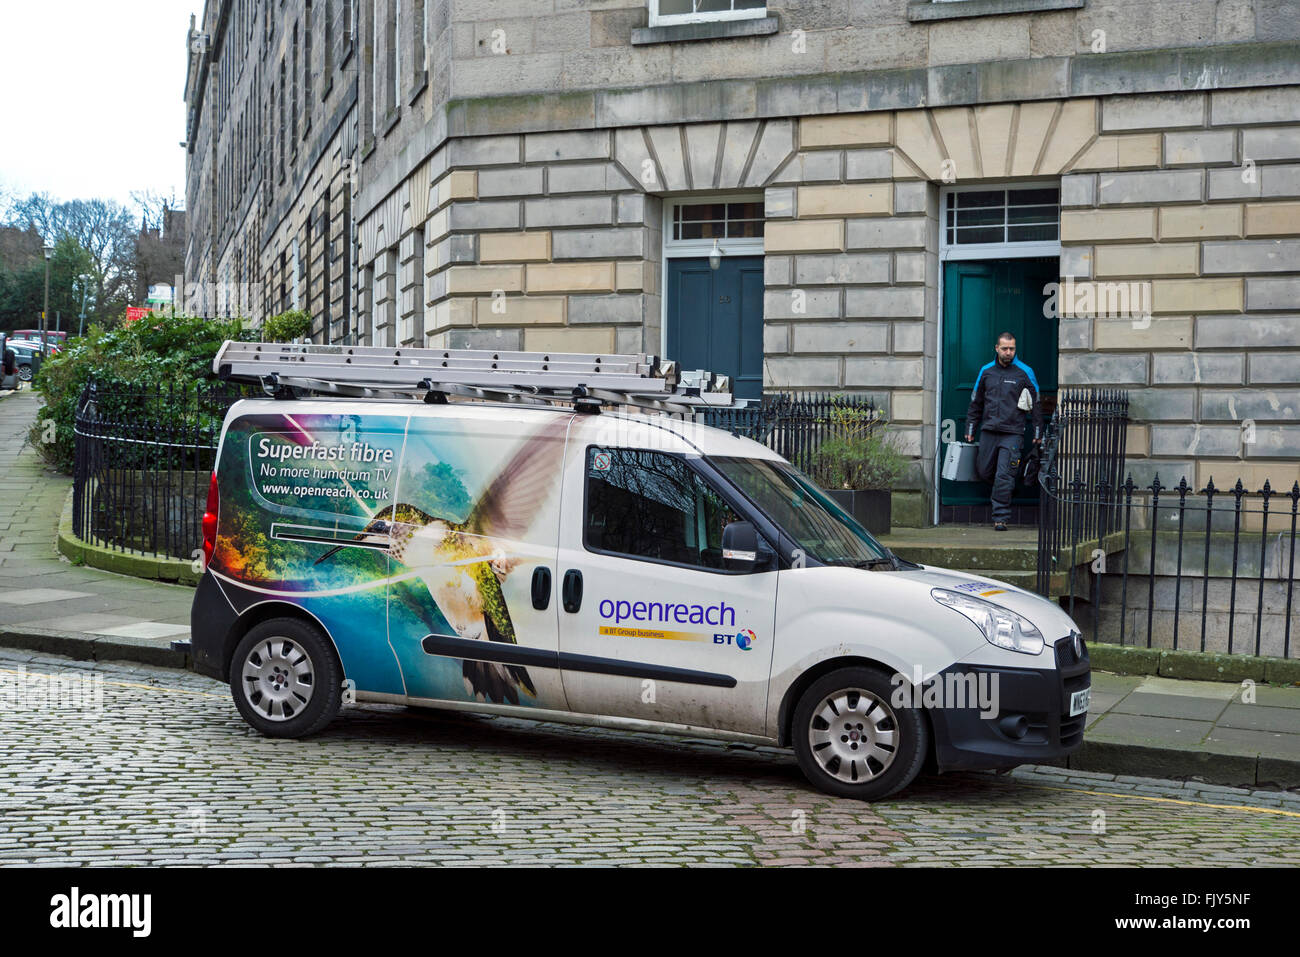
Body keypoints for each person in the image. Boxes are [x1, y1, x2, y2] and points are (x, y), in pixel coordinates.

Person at [965, 332, 1041, 531]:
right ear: (996, 348)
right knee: (983, 471)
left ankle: (1000, 517)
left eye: (1012, 349)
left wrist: (1037, 431)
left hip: (1013, 433)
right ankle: (1007, 487)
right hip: (989, 430)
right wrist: (971, 427)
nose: (1009, 352)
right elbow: (976, 401)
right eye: (1005, 348)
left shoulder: (1025, 372)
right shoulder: (986, 371)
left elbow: (1037, 404)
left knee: (1003, 475)